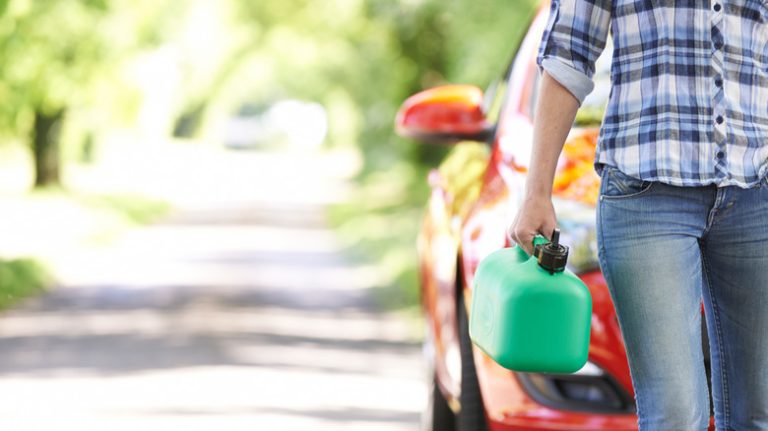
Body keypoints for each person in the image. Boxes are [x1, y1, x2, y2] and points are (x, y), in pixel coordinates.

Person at [508, 0, 768, 429]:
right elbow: (568, 48)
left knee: (758, 413)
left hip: (756, 191)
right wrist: (537, 192)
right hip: (646, 193)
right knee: (675, 415)